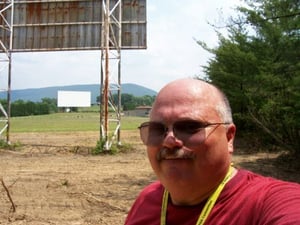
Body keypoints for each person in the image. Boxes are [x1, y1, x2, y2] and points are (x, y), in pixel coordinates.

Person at [124, 78, 300, 225]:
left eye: (190, 127)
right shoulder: (147, 199)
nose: (169, 141)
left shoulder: (268, 202)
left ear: (229, 137)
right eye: (156, 129)